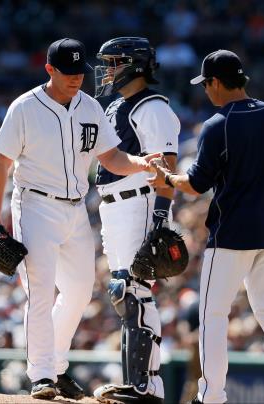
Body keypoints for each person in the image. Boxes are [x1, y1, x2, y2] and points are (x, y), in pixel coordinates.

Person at [0, 37, 158, 401]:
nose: (76, 77)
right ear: (49, 69)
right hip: (35, 205)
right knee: (41, 292)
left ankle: (56, 366)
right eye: (67, 72)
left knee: (79, 292)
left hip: (76, 208)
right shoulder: (25, 107)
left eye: (80, 71)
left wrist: (140, 163)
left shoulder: (90, 106)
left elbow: (111, 157)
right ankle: (42, 375)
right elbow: (1, 164)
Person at [148, 50, 264, 404]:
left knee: (213, 313)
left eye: (206, 84)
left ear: (215, 82)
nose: (206, 91)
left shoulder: (218, 124)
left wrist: (166, 176)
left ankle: (211, 396)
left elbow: (195, 184)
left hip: (232, 235)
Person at [92, 37, 180, 404]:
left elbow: (167, 167)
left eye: (113, 62)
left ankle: (145, 386)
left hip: (140, 203)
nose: (107, 69)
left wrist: (160, 218)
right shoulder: (116, 106)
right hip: (114, 205)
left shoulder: (153, 107)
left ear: (134, 64)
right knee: (124, 291)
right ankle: (138, 383)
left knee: (133, 291)